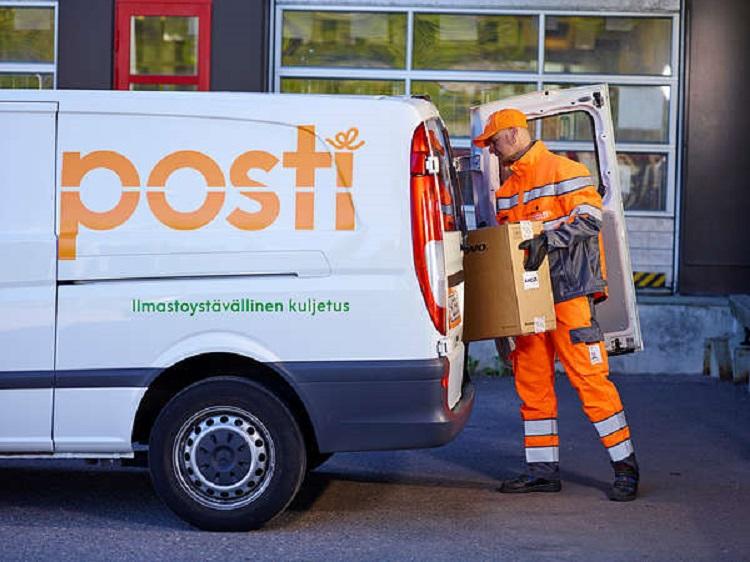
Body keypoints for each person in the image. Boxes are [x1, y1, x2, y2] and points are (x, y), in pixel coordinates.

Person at [473, 108, 639, 502]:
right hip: (530, 301)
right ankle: (542, 472)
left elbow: (590, 220)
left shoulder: (565, 170)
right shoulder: (506, 191)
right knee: (532, 385)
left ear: (513, 134)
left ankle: (626, 468)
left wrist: (548, 241)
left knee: (590, 380)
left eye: (493, 142)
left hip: (570, 295)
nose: (492, 151)